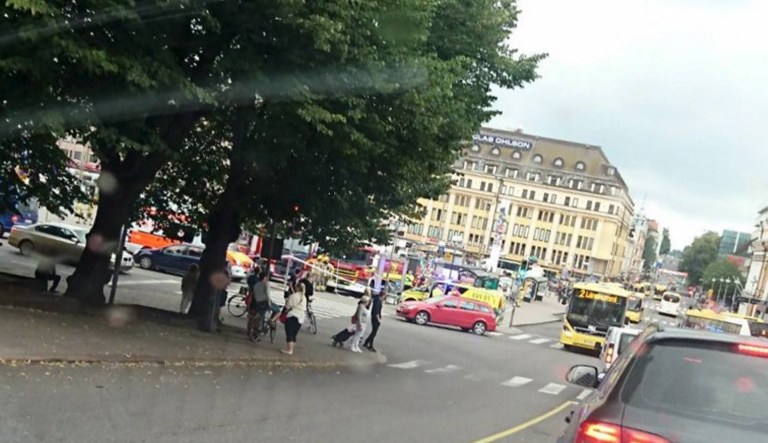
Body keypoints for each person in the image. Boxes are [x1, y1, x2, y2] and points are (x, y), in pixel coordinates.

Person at [281, 282, 307, 355]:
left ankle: (289, 350)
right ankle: (291, 349)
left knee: (289, 333)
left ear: (297, 288)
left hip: (292, 314)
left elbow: (287, 306)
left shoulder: (293, 296)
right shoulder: (304, 297)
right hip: (301, 316)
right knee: (294, 333)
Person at [249, 271, 271, 335]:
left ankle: (253, 326)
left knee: (259, 314)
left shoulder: (256, 284)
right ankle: (259, 328)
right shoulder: (265, 284)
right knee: (263, 315)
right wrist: (269, 303)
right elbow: (267, 295)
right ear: (264, 278)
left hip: (256, 302)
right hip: (263, 302)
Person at [362, 288, 384, 352]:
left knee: (373, 332)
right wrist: (378, 319)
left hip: (374, 317)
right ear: (383, 295)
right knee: (374, 332)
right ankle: (370, 345)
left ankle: (366, 343)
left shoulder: (377, 299)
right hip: (375, 318)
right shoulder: (378, 301)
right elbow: (376, 311)